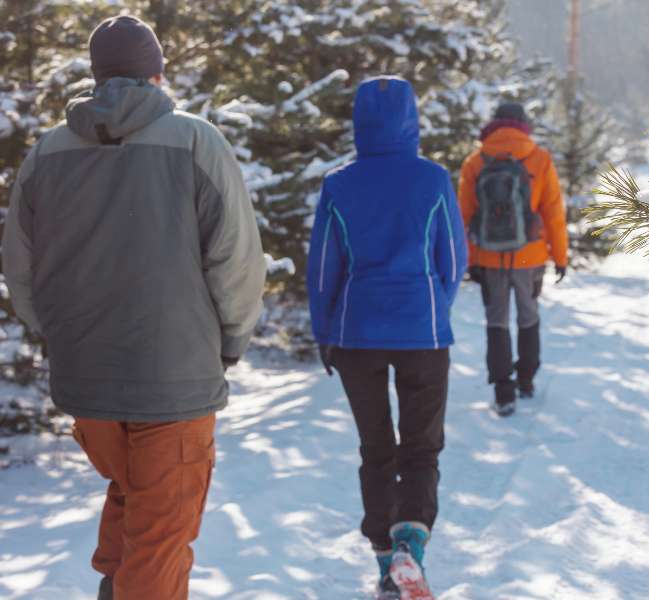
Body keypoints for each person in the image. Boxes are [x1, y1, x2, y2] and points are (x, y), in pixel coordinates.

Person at [2, 16, 266, 600]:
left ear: (96, 76)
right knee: (162, 535)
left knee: (131, 493)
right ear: (157, 71)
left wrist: (64, 336)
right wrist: (229, 341)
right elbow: (237, 261)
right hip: (176, 382)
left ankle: (111, 589)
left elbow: (20, 270)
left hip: (87, 383)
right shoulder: (196, 141)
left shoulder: (47, 153)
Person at [306, 76, 467, 598]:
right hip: (423, 332)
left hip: (358, 334)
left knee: (376, 448)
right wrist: (433, 308)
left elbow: (324, 268)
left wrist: (325, 331)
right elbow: (453, 260)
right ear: (411, 119)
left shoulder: (339, 183)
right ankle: (411, 548)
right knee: (422, 448)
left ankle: (384, 559)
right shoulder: (434, 178)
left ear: (358, 122)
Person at [458, 102, 568, 416]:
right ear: (523, 125)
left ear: (493, 124)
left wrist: (468, 260)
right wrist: (560, 257)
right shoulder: (540, 158)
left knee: (497, 321)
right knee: (528, 315)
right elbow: (553, 214)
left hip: (489, 257)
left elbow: (463, 216)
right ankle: (527, 379)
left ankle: (504, 392)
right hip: (530, 256)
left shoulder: (475, 162)